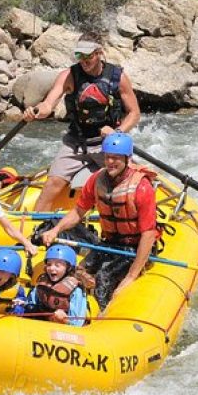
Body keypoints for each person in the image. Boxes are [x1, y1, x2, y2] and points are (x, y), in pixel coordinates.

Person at [22, 31, 141, 212]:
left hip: (108, 143)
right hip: (76, 142)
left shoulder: (118, 77)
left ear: (99, 53)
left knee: (129, 183)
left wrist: (118, 133)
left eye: (88, 56)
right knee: (52, 183)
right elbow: (49, 103)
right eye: (79, 55)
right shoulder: (69, 75)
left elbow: (134, 113)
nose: (83, 61)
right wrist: (36, 112)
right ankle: (36, 228)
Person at [41, 132, 158, 309]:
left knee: (104, 278)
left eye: (116, 158)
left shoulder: (141, 187)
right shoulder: (97, 180)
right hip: (109, 243)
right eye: (107, 157)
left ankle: (102, 317)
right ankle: (77, 308)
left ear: (127, 159)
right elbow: (78, 212)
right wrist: (55, 230)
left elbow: (148, 235)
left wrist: (131, 276)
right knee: (77, 271)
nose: (110, 162)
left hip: (133, 248)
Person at [26, 245, 88, 326]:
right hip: (42, 323)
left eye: (57, 265)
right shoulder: (42, 282)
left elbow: (77, 323)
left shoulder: (76, 291)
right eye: (49, 264)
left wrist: (65, 320)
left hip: (64, 327)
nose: (52, 268)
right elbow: (31, 302)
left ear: (69, 268)